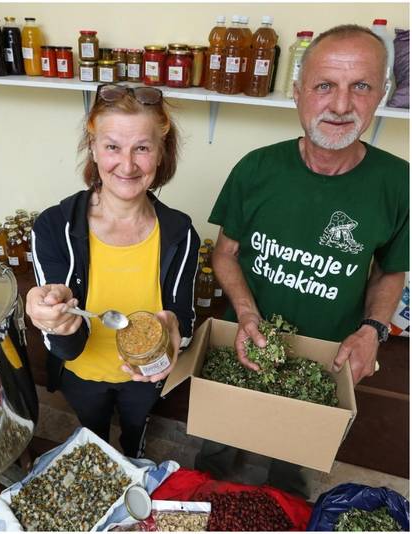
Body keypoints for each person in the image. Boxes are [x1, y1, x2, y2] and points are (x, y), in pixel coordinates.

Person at [198, 24, 409, 497]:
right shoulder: (257, 168)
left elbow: (392, 270)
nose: (339, 106)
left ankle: (285, 485)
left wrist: (373, 330)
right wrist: (248, 313)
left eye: (360, 86)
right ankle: (215, 471)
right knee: (217, 454)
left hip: (324, 360)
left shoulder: (398, 182)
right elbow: (225, 253)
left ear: (381, 95)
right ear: (297, 93)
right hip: (242, 343)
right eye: (324, 86)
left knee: (288, 474)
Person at [26, 84, 201, 458]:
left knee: (136, 428)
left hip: (146, 374)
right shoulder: (53, 227)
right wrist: (51, 317)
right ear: (92, 147)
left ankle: (133, 449)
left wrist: (176, 332)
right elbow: (63, 342)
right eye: (112, 147)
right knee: (94, 432)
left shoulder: (180, 232)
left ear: (160, 152)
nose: (127, 164)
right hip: (82, 373)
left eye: (142, 147)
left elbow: (184, 316)